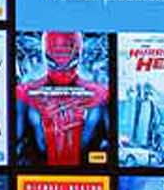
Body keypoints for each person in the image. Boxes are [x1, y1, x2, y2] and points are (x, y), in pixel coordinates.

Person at [14, 31, 109, 168]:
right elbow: (15, 143)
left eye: (65, 54)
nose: (62, 63)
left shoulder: (101, 94)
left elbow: (111, 144)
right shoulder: (24, 93)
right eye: (58, 54)